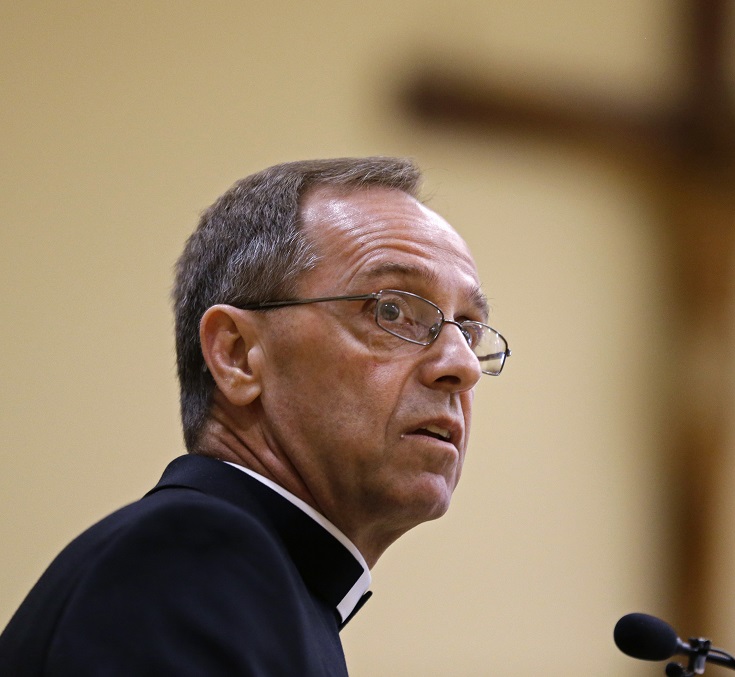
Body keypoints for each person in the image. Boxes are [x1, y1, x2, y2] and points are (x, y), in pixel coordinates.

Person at [0, 157, 510, 676]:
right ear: (238, 355)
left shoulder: (274, 588)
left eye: (468, 329)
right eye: (391, 311)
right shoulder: (186, 558)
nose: (461, 366)